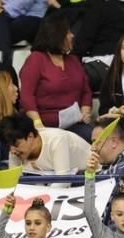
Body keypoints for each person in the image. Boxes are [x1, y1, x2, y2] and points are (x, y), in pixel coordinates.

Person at [19, 15, 92, 144]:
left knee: (94, 138)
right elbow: (27, 96)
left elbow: (86, 91)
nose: (72, 36)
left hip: (74, 124)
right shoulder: (36, 59)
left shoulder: (73, 60)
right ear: (57, 35)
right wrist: (38, 124)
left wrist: (85, 111)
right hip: (45, 126)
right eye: (68, 32)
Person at [0, 113, 91, 176]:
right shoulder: (16, 150)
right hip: (49, 181)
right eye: (9, 146)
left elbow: (63, 182)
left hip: (86, 176)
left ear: (30, 137)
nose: (12, 151)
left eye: (16, 144)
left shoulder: (57, 140)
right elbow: (15, 183)